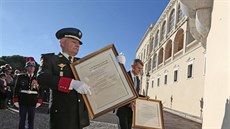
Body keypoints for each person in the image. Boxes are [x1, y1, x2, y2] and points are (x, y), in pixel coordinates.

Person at [116, 59, 146, 129]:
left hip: (131, 112)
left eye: (141, 69)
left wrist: (146, 98)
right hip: (123, 110)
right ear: (132, 66)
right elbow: (120, 93)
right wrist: (129, 103)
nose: (140, 70)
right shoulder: (124, 76)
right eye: (138, 68)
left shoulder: (138, 80)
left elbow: (136, 94)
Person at [13, 57, 42, 129]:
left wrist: (40, 99)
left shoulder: (37, 78)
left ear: (35, 68)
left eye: (33, 66)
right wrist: (15, 98)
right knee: (22, 119)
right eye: (30, 66)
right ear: (26, 67)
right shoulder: (21, 76)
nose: (31, 68)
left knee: (31, 120)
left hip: (33, 101)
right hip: (23, 100)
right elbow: (16, 88)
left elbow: (41, 90)